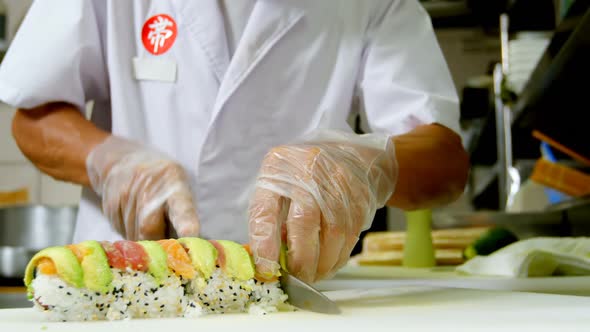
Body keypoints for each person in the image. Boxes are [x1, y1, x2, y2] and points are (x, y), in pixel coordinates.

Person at [0, 0, 469, 283]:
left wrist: (369, 165)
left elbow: (445, 161)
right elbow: (34, 115)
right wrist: (109, 162)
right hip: (124, 280)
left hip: (295, 292)